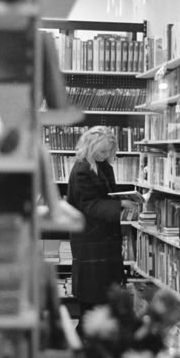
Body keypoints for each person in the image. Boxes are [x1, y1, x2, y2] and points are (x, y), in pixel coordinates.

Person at [66, 126, 138, 332]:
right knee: (92, 296)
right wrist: (120, 205)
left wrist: (122, 201)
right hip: (90, 240)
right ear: (90, 146)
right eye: (102, 150)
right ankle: (85, 339)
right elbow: (88, 204)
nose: (106, 155)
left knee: (106, 294)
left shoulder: (104, 166)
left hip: (105, 238)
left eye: (109, 151)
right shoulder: (81, 169)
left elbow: (105, 198)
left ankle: (97, 338)